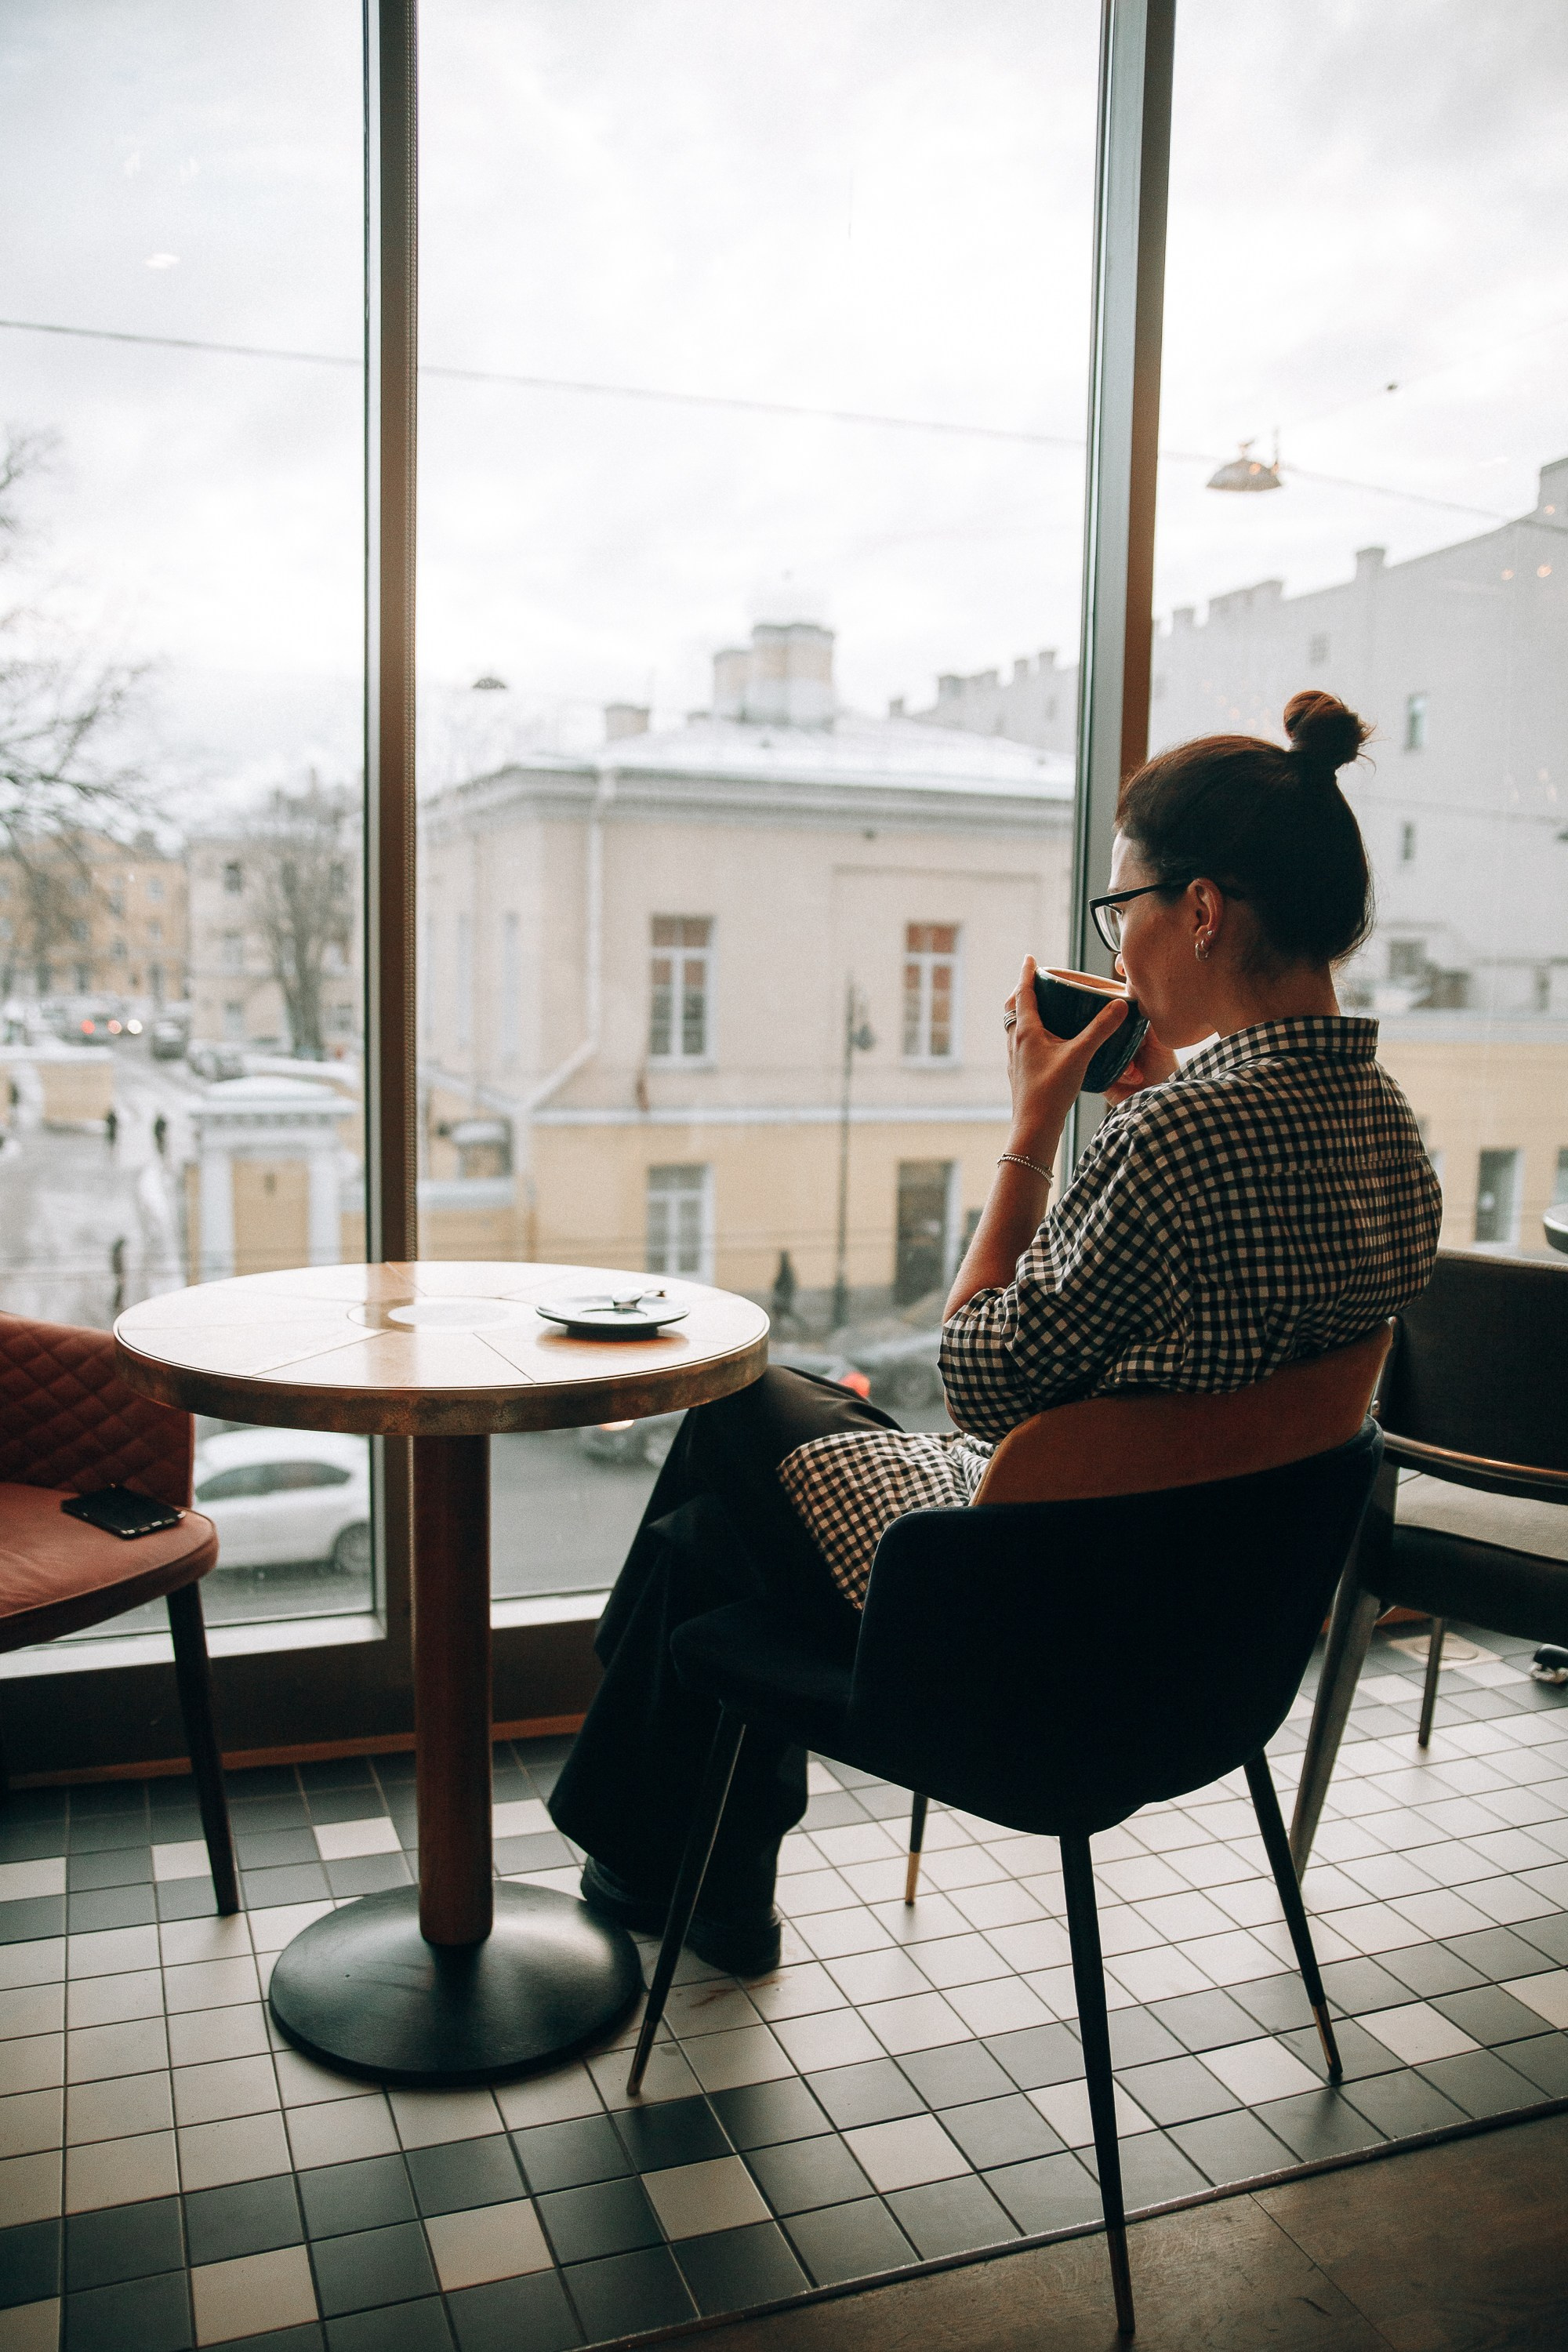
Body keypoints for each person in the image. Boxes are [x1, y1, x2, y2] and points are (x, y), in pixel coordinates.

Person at [548, 691, 1443, 1974]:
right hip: (1209, 1642)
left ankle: (667, 1861)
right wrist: (1150, 1112)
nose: (1119, 941)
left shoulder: (1175, 1142)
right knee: (719, 1518)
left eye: (1123, 906)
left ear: (1200, 909)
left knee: (735, 1421)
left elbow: (977, 1380)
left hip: (1044, 1635)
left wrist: (1033, 1126)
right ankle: (674, 1864)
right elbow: (1240, 1351)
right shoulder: (1390, 1126)